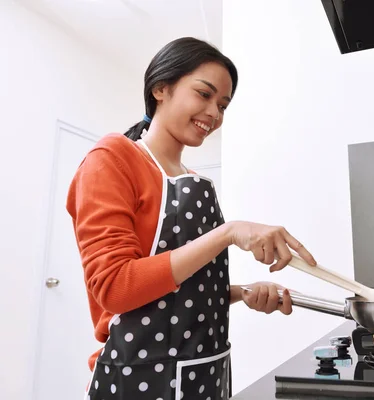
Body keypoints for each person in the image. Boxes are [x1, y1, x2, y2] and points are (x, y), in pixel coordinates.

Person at [66, 37, 317, 400]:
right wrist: (229, 233)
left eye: (223, 105)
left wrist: (241, 294)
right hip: (136, 379)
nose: (214, 113)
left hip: (207, 374)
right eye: (204, 94)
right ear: (160, 89)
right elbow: (115, 288)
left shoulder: (194, 179)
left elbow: (180, 293)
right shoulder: (112, 158)